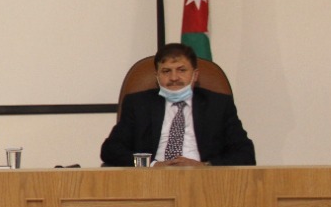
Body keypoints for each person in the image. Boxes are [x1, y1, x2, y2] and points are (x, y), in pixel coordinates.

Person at [101, 42, 255, 167]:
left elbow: (245, 153)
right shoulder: (138, 104)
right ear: (157, 76)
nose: (174, 77)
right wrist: (152, 165)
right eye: (166, 71)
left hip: (204, 182)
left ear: (195, 75)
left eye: (181, 70)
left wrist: (205, 166)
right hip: (152, 181)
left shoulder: (218, 105)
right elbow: (110, 150)